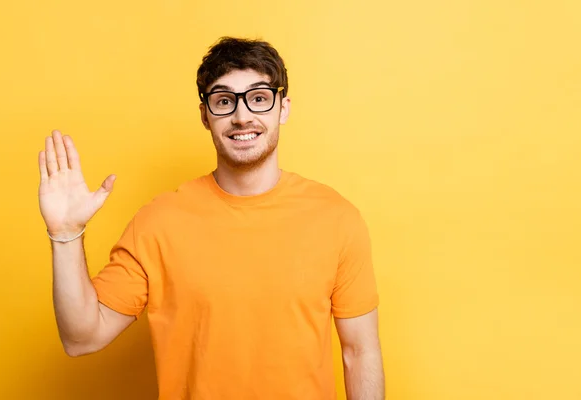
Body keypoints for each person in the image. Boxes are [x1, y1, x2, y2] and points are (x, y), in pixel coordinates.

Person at [38, 36, 385, 400]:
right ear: (205, 115)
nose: (241, 116)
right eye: (223, 101)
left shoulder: (336, 219)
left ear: (283, 108)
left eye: (259, 98)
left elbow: (359, 353)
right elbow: (81, 337)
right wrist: (66, 235)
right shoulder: (158, 223)